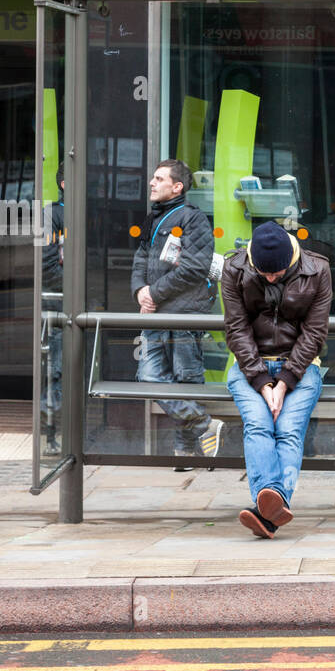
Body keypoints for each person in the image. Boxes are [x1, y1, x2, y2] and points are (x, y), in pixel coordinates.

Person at [221, 221, 331, 539]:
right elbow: (237, 329)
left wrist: (283, 382)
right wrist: (260, 381)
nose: (271, 278)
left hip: (302, 366)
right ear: (252, 260)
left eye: (277, 273)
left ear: (290, 261)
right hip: (248, 366)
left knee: (288, 429)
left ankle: (266, 510)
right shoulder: (235, 268)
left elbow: (315, 332)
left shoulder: (317, 269)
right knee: (258, 423)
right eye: (264, 273)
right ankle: (273, 504)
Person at [130, 158, 223, 471]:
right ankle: (204, 425)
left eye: (159, 179)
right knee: (149, 377)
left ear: (177, 186)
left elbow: (195, 268)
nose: (153, 183)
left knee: (186, 379)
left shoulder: (194, 221)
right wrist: (140, 290)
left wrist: (153, 294)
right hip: (156, 313)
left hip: (184, 314)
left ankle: (184, 452)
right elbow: (140, 258)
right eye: (153, 178)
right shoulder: (153, 219)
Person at [41, 171, 65, 453]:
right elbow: (46, 263)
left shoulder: (84, 210)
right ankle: (51, 435)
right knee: (56, 370)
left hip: (81, 300)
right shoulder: (51, 214)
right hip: (59, 301)